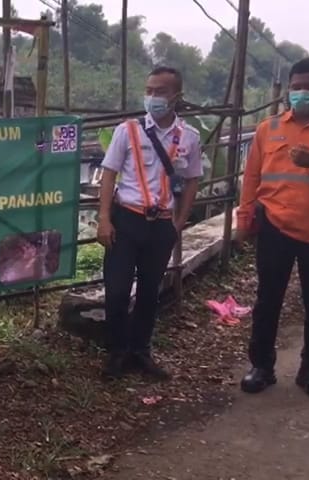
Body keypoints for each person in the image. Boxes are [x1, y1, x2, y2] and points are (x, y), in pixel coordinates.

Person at [237, 57, 309, 400]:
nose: (301, 93)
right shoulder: (269, 128)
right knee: (268, 299)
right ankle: (261, 367)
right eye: (296, 87)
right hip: (275, 225)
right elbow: (251, 177)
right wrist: (245, 217)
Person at [97, 66, 203, 380]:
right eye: (150, 90)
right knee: (116, 291)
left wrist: (178, 223)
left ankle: (141, 351)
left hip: (161, 226)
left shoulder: (189, 138)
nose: (152, 97)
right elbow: (108, 174)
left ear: (176, 97)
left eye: (160, 92)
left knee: (148, 292)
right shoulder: (127, 130)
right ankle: (117, 351)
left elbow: (193, 179)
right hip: (126, 220)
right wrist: (104, 219)